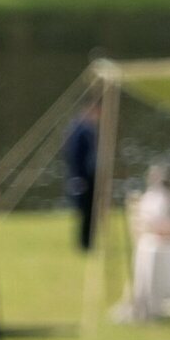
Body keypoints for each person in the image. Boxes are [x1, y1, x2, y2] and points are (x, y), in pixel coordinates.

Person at [61, 98, 100, 252]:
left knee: (88, 211)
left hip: (84, 176)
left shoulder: (81, 127)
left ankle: (87, 241)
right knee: (86, 211)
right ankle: (85, 244)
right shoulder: (80, 130)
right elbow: (74, 155)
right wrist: (80, 176)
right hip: (83, 177)